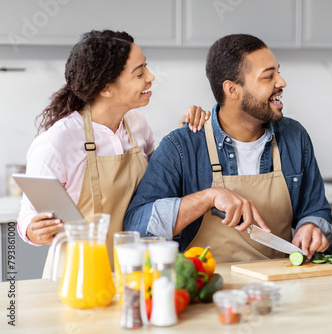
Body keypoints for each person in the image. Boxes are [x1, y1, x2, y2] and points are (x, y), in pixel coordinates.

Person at [124, 34, 332, 262]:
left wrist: (312, 225)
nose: (281, 82)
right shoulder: (182, 146)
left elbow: (316, 209)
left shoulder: (295, 137)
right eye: (268, 77)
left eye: (279, 72)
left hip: (280, 284)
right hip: (209, 288)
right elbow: (137, 226)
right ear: (232, 90)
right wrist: (208, 197)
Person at [17, 30, 209, 273]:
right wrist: (33, 230)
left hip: (134, 272)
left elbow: (160, 184)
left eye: (146, 68)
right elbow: (28, 215)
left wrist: (185, 134)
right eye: (139, 73)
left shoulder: (137, 125)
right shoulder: (57, 142)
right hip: (80, 276)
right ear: (106, 88)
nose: (150, 77)